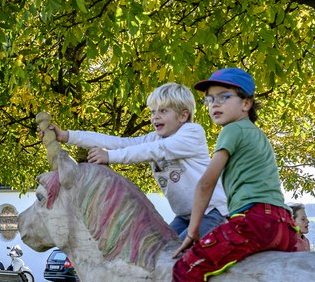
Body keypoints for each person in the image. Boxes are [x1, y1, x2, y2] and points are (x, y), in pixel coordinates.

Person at [122, 67, 304, 282]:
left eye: (224, 97)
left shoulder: (232, 131)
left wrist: (193, 231)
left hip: (254, 221)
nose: (214, 105)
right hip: (283, 224)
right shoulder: (255, 134)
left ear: (246, 103)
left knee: (186, 269)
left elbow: (205, 184)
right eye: (208, 100)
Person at [44, 82, 230, 238]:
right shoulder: (154, 138)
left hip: (212, 213)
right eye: (153, 112)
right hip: (184, 216)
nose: (155, 117)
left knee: (177, 259)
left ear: (183, 115)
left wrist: (110, 156)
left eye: (163, 111)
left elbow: (155, 151)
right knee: (160, 255)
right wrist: (67, 136)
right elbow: (120, 143)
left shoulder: (192, 133)